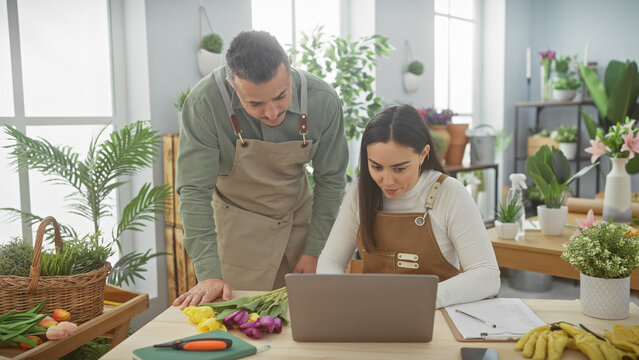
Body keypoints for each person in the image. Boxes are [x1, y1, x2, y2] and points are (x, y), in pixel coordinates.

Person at [174, 30, 348, 308]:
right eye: (254, 103)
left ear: (289, 67)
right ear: (233, 84)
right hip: (238, 236)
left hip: (301, 230)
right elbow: (194, 193)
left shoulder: (322, 100)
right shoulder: (204, 103)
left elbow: (332, 180)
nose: (272, 113)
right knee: (242, 328)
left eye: (281, 96)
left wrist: (316, 250)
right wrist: (208, 274)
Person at [316, 104, 500, 308]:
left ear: (423, 154)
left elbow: (487, 274)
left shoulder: (450, 193)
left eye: (400, 168)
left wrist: (418, 299)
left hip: (435, 318)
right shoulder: (360, 191)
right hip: (371, 315)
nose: (387, 181)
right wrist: (336, 290)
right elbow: (331, 259)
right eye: (376, 167)